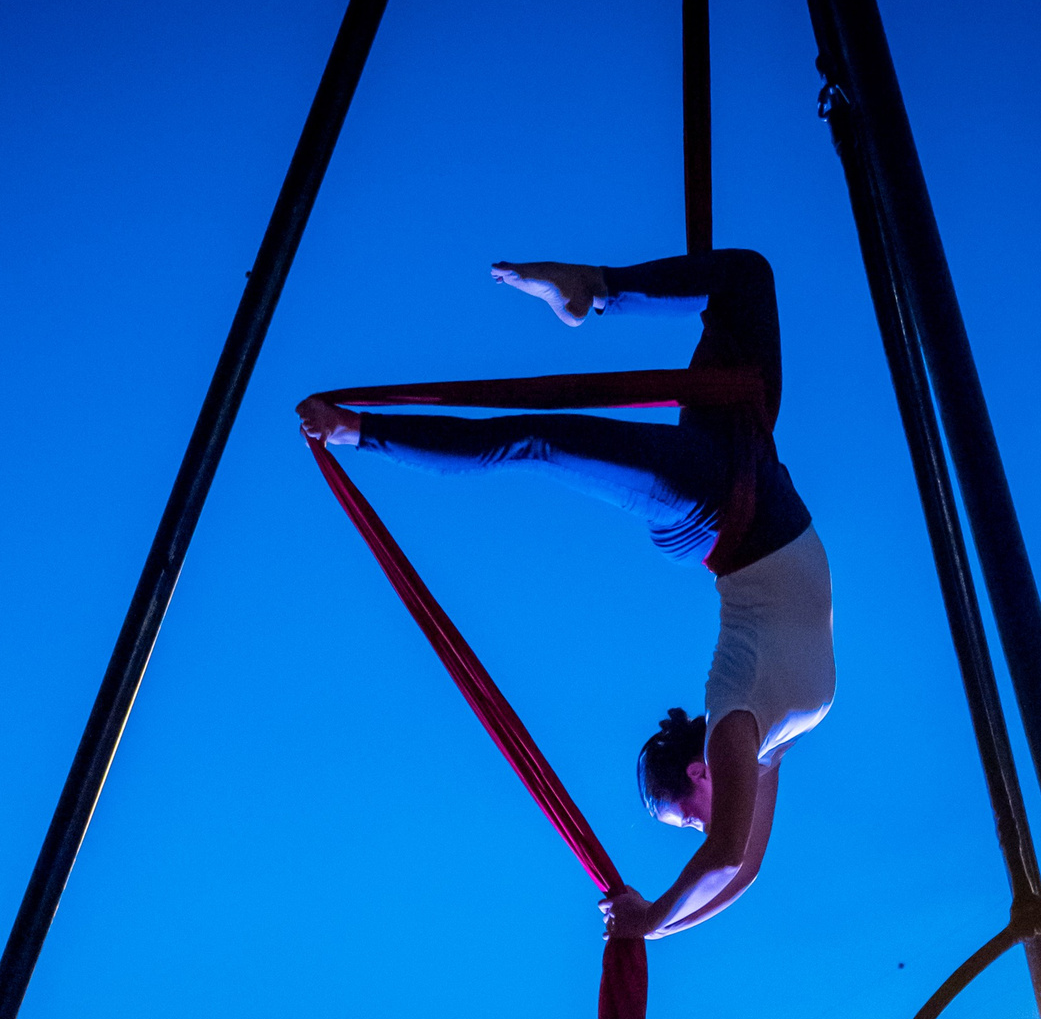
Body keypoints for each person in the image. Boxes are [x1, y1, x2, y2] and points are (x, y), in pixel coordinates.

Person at [300, 249, 831, 947]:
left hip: (712, 499)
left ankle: (362, 430)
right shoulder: (763, 744)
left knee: (539, 438)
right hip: (747, 461)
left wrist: (651, 921)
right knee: (747, 280)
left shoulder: (736, 722)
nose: (702, 827)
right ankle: (593, 290)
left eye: (689, 814)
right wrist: (655, 930)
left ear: (701, 772)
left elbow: (727, 857)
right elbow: (746, 870)